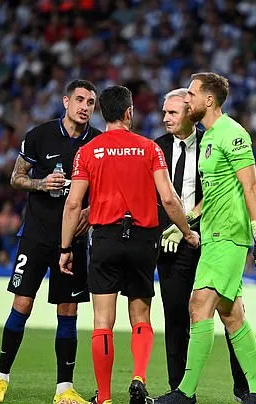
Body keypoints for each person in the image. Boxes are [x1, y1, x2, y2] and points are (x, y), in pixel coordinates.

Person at [58, 85, 200, 404]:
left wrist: (66, 247)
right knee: (140, 316)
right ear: (128, 113)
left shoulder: (88, 151)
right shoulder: (150, 149)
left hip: (105, 238)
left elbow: (72, 205)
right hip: (142, 240)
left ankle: (105, 397)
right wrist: (187, 232)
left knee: (102, 323)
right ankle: (138, 378)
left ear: (101, 113)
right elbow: (168, 198)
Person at [149, 72, 256, 404]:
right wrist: (184, 220)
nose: (187, 99)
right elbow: (214, 193)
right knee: (232, 315)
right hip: (212, 235)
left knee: (198, 305)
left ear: (209, 99)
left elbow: (251, 186)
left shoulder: (233, 134)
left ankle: (185, 392)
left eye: (191, 94)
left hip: (229, 236)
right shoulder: (208, 138)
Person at [0, 80, 100, 404]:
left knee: (68, 311)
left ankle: (64, 389)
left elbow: (105, 190)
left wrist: (89, 211)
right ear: (66, 101)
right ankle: (1, 379)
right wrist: (40, 183)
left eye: (91, 102)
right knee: (22, 304)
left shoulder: (97, 143)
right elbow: (15, 178)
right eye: (79, 99)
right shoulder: (39, 136)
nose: (85, 106)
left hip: (74, 240)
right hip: (36, 235)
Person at [155, 88, 249, 400]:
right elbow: (154, 197)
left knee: (229, 312)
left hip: (210, 239)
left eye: (172, 112)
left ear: (190, 111)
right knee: (176, 315)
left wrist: (191, 225)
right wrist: (170, 229)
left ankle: (244, 387)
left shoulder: (212, 141)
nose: (166, 118)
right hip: (172, 243)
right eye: (164, 112)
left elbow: (225, 189)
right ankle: (179, 390)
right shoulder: (157, 149)